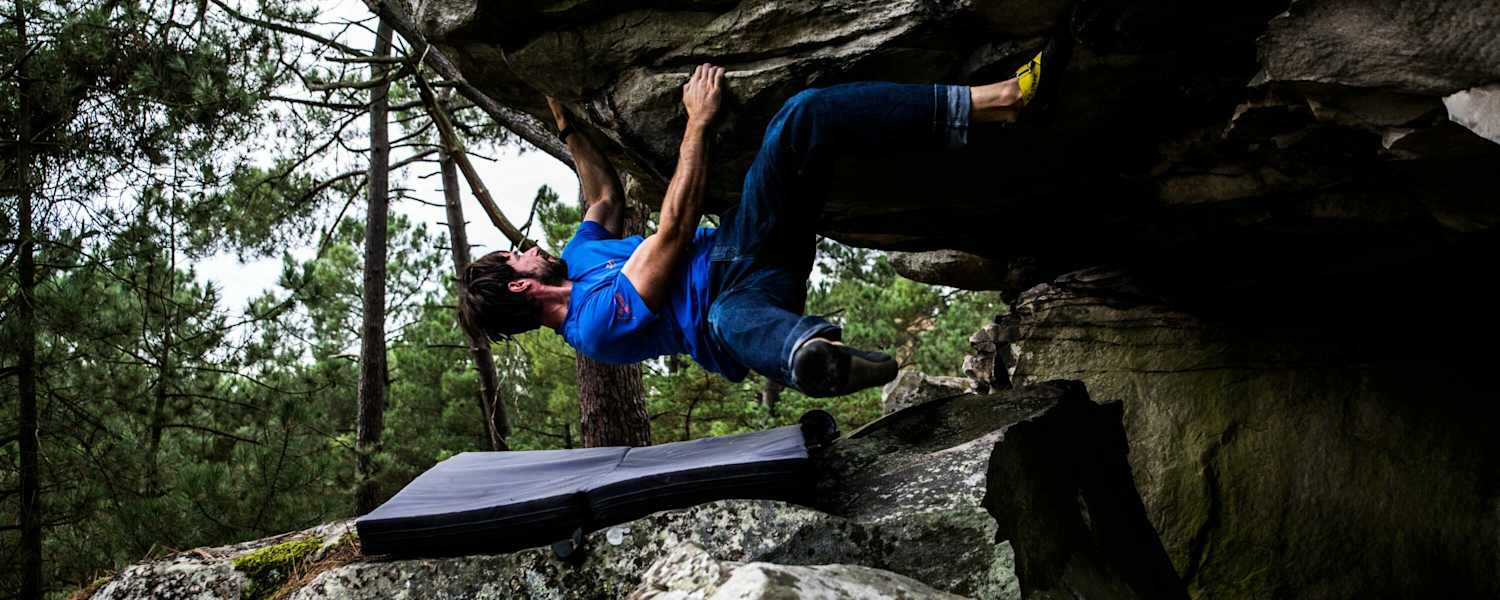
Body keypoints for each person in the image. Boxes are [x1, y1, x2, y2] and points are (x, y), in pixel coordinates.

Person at [457, 42, 1067, 398]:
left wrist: (565, 125)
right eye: (518, 253)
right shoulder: (592, 328)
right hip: (742, 294)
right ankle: (814, 356)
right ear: (521, 285)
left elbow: (603, 196)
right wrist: (697, 120)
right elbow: (670, 233)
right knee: (724, 319)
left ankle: (998, 100)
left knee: (804, 116)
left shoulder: (582, 254)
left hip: (746, 241)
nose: (529, 246)